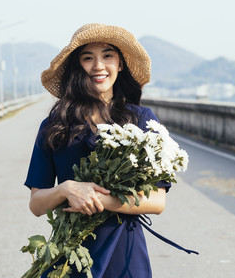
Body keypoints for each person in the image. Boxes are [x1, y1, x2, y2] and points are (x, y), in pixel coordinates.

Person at [24, 23, 170, 278]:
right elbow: (36, 204)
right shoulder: (55, 126)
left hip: (124, 254)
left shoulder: (141, 120)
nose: (98, 66)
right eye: (87, 58)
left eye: (107, 56)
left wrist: (98, 200)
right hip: (68, 255)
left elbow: (157, 201)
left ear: (121, 64)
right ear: (76, 66)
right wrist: (66, 189)